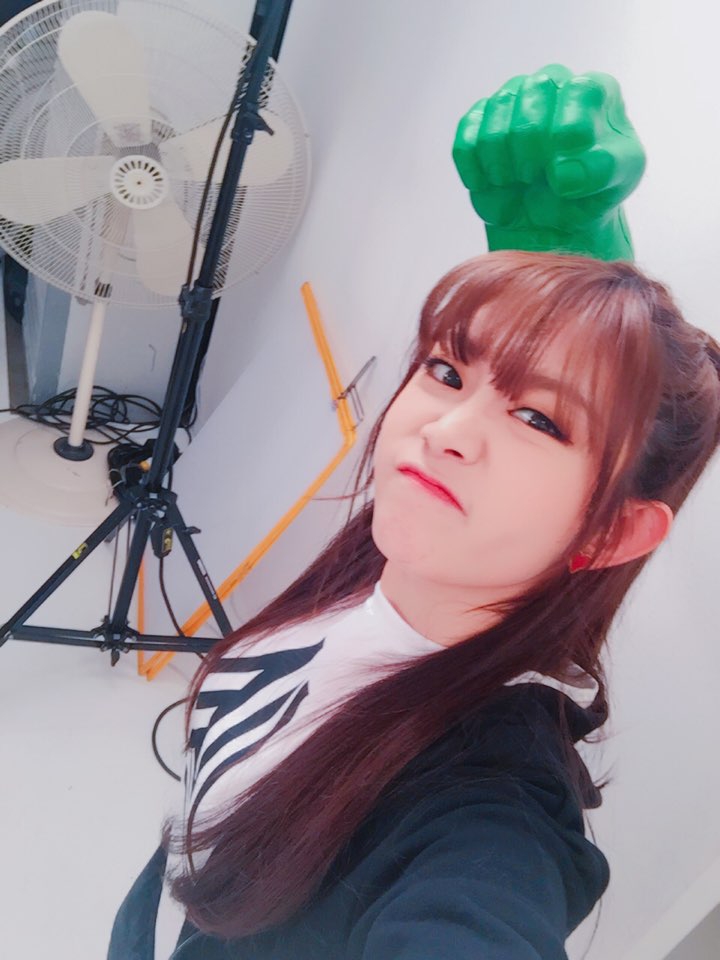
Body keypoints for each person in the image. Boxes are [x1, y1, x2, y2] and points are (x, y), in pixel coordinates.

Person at [108, 72, 720, 960]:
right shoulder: (391, 564)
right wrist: (570, 294)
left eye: (539, 419)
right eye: (447, 371)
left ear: (612, 532)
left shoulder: (491, 803)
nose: (448, 432)